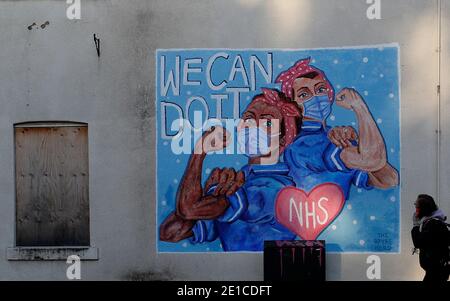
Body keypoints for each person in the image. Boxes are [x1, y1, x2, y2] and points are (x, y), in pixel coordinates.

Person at [159, 88, 302, 251]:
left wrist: (199, 151)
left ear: (283, 139)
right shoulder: (239, 181)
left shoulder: (275, 189)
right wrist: (206, 196)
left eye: (267, 123)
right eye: (249, 118)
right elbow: (169, 233)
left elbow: (189, 209)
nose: (253, 127)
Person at [275, 58, 398, 200]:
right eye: (304, 94)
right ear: (293, 106)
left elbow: (389, 179)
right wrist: (359, 107)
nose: (316, 97)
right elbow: (372, 160)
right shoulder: (302, 145)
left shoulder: (333, 136)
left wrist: (359, 145)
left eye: (320, 89)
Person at [411, 194, 449, 283]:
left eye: (416, 206)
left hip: (436, 272)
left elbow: (418, 242)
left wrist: (415, 225)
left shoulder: (433, 224)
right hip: (435, 271)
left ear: (423, 209)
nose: (415, 209)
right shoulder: (431, 222)